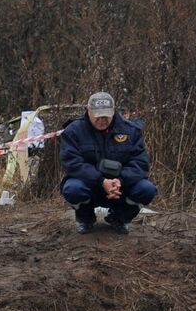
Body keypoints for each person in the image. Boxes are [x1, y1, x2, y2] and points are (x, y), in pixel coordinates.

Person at [60, 91, 157, 234]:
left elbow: (140, 163)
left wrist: (120, 181)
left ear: (113, 111)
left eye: (106, 116)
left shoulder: (131, 131)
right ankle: (85, 219)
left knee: (147, 189)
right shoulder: (73, 131)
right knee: (72, 189)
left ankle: (119, 219)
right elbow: (72, 163)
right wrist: (101, 181)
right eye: (97, 116)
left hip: (120, 187)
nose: (102, 120)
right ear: (88, 111)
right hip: (89, 185)